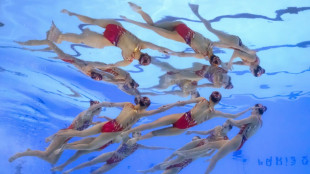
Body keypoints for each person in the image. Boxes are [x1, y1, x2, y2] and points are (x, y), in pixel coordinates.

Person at [55, 96, 196, 151]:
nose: (146, 100)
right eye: (145, 99)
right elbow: (111, 103)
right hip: (112, 126)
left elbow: (160, 110)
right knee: (86, 140)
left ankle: (64, 145)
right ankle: (60, 140)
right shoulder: (129, 105)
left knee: (89, 143)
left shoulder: (141, 112)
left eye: (147, 101)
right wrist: (102, 103)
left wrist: (173, 104)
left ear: (145, 106)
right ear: (140, 101)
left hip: (113, 129)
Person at [46, 9, 177, 67]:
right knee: (93, 20)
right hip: (117, 28)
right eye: (148, 59)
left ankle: (59, 37)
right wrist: (165, 50)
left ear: (141, 63)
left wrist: (99, 67)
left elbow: (113, 65)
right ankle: (71, 13)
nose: (147, 61)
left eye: (146, 63)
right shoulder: (142, 45)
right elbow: (157, 47)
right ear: (147, 55)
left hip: (111, 40)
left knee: (83, 39)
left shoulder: (128, 60)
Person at [16, 40, 140, 96]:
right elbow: (114, 81)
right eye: (98, 77)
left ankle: (27, 45)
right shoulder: (100, 74)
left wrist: (125, 84)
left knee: (52, 47)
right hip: (75, 61)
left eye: (96, 78)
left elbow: (112, 80)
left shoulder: (90, 70)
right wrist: (128, 84)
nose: (98, 78)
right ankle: (27, 44)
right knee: (50, 45)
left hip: (71, 60)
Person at [123, 91, 251, 144]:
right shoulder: (214, 111)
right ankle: (134, 137)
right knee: (154, 131)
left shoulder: (203, 101)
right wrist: (249, 109)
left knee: (153, 126)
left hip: (182, 117)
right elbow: (233, 115)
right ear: (218, 102)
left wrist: (172, 104)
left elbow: (182, 103)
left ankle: (131, 134)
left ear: (211, 97)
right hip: (184, 124)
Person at [9, 100, 104, 164]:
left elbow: (86, 123)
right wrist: (52, 136)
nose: (101, 111)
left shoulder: (90, 117)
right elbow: (85, 116)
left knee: (53, 161)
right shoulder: (86, 114)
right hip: (63, 135)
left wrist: (95, 123)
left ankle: (31, 152)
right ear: (95, 108)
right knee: (46, 154)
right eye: (100, 109)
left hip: (67, 138)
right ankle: (19, 154)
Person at [121, 2, 222, 62]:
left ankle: (139, 11)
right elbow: (183, 55)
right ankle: (130, 19)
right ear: (209, 60)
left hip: (182, 25)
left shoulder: (211, 44)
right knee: (152, 28)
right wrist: (172, 53)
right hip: (181, 36)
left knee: (153, 25)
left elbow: (227, 44)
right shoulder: (201, 55)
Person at [188, 4, 265, 77]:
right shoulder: (252, 59)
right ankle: (196, 12)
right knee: (211, 34)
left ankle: (195, 21)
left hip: (234, 44)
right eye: (251, 71)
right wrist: (230, 62)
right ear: (255, 68)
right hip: (234, 43)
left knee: (211, 37)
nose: (250, 70)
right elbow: (237, 53)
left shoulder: (252, 63)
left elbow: (241, 62)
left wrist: (230, 63)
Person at [138, 122, 232, 174]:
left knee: (184, 155)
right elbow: (205, 132)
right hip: (202, 141)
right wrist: (193, 131)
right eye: (223, 125)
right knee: (179, 151)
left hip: (204, 149)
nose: (223, 127)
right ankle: (156, 167)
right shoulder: (217, 127)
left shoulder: (225, 139)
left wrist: (210, 157)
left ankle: (169, 162)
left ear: (229, 130)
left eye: (225, 127)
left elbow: (215, 150)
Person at [62, 132, 173, 174]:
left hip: (116, 162)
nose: (139, 135)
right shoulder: (127, 139)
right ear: (133, 135)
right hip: (111, 155)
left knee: (98, 172)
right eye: (137, 133)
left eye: (140, 134)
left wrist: (165, 148)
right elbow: (123, 133)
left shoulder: (138, 145)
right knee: (89, 163)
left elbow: (152, 148)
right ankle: (70, 170)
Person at [204, 104, 267, 174]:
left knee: (215, 158)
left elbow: (238, 122)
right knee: (211, 145)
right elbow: (243, 129)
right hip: (240, 141)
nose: (251, 111)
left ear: (257, 110)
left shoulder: (254, 117)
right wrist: (232, 123)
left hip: (238, 139)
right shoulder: (260, 122)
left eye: (253, 109)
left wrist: (230, 120)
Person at [148, 59, 233, 90]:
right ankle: (159, 65)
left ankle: (160, 65)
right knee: (178, 73)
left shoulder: (217, 85)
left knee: (179, 73)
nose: (222, 83)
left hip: (200, 75)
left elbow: (206, 85)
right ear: (228, 81)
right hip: (202, 68)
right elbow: (219, 60)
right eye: (225, 83)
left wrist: (197, 86)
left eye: (223, 85)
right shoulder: (225, 70)